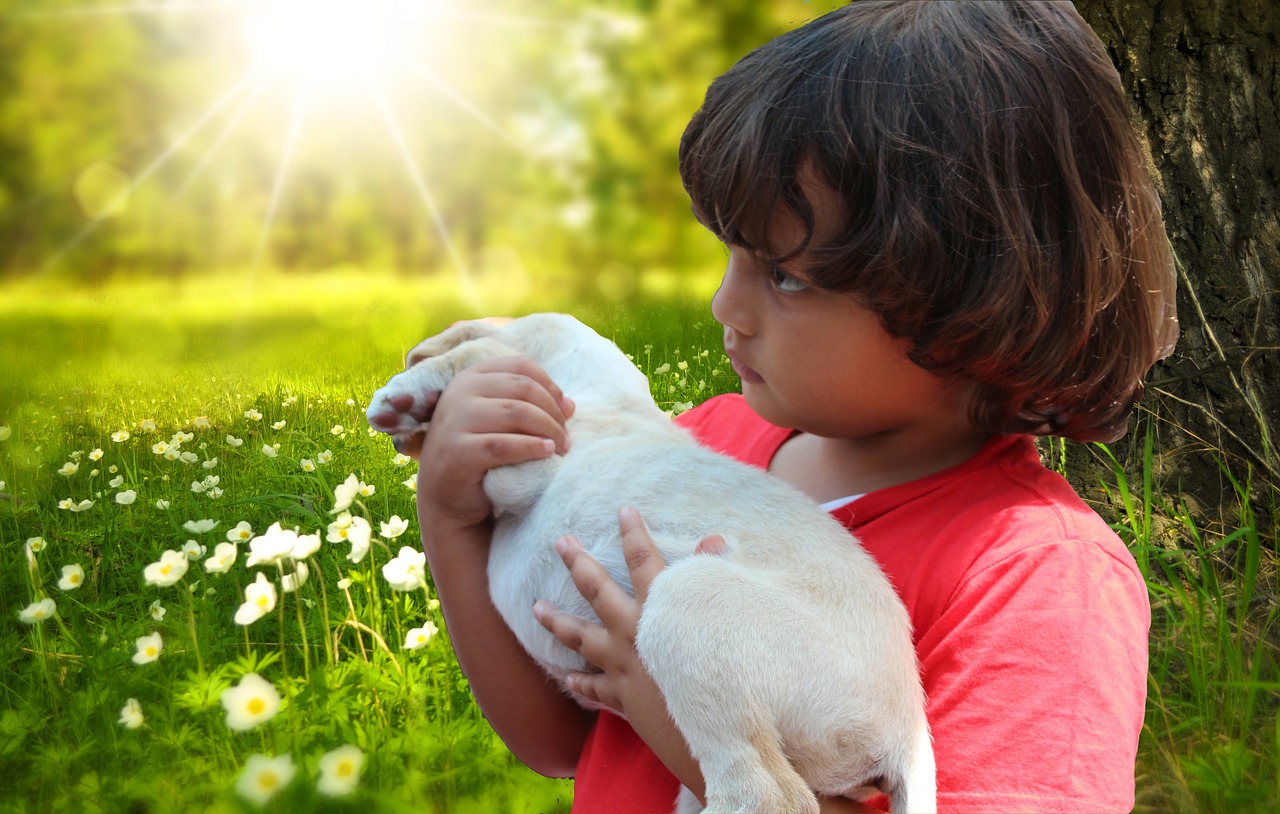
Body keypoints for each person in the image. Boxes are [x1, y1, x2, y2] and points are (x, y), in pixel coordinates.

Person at [408, 2, 1179, 811]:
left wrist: (686, 709)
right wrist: (452, 513)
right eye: (731, 254)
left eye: (786, 277)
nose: (724, 306)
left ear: (974, 297)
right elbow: (557, 742)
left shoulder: (1037, 579)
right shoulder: (702, 447)